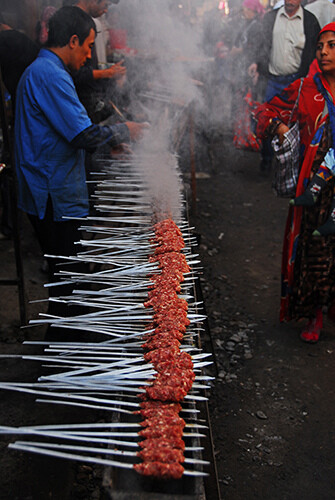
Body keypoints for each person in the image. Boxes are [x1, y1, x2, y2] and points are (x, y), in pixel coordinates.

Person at [14, 6, 148, 339]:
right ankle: (59, 351)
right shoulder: (51, 74)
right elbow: (82, 135)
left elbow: (70, 129)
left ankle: (66, 336)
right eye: (87, 46)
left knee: (67, 273)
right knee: (66, 275)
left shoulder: (45, 70)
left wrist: (110, 143)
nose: (89, 55)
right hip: (50, 191)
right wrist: (124, 131)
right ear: (72, 41)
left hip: (48, 185)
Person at [255, 22, 335, 343]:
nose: (324, 52)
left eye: (332, 45)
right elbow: (264, 112)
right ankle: (314, 314)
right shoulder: (306, 89)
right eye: (320, 47)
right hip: (316, 187)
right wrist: (277, 128)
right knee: (315, 249)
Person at [249, 0, 320, 170]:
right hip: (273, 80)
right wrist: (256, 64)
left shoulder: (310, 21)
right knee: (267, 121)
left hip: (297, 82)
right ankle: (266, 159)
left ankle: (292, 165)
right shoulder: (271, 18)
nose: (290, 1)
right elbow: (261, 45)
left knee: (296, 124)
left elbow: (315, 51)